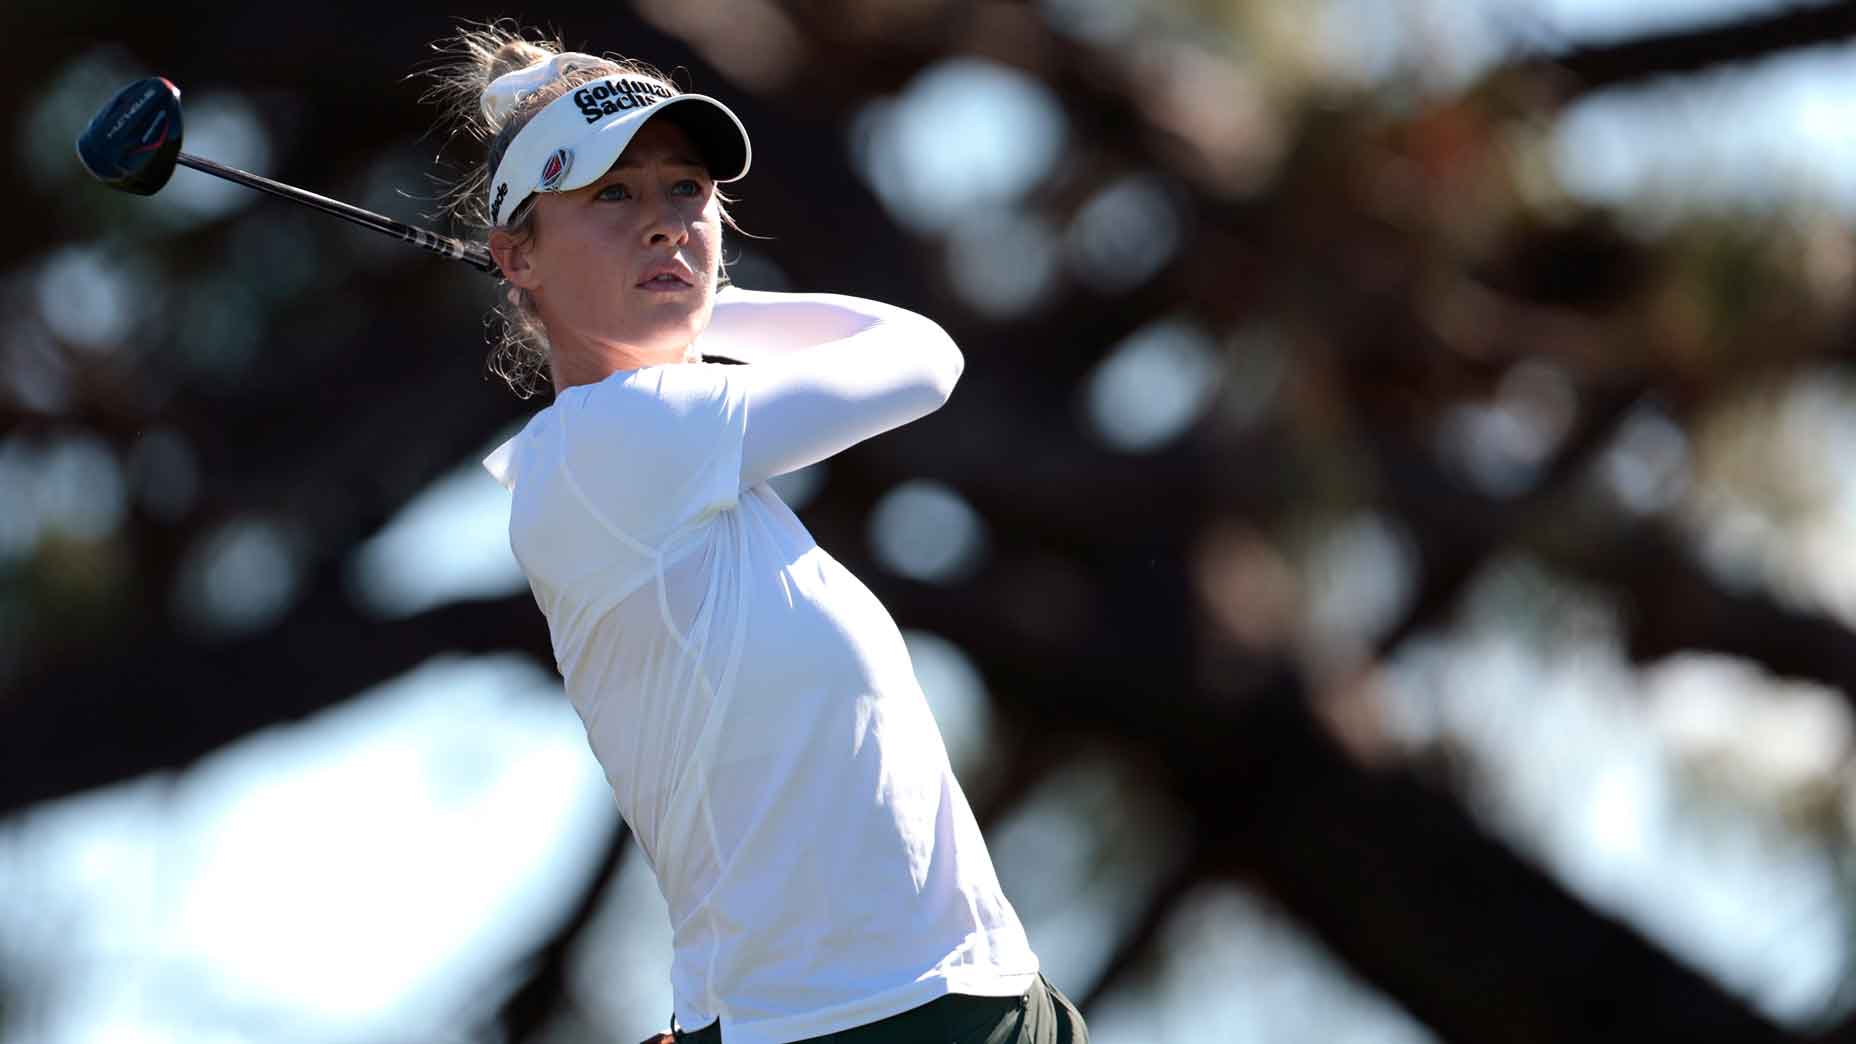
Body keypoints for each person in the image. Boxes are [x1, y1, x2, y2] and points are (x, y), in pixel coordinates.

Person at [423, 23, 1088, 1044]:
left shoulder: (675, 472)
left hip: (964, 1001)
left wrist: (693, 300)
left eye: (685, 192)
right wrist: (708, 307)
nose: (663, 223)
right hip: (859, 1025)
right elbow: (918, 358)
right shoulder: (612, 442)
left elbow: (910, 349)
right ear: (514, 255)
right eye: (611, 196)